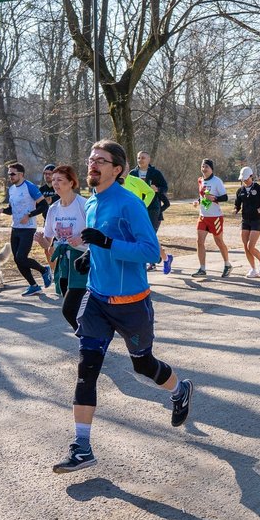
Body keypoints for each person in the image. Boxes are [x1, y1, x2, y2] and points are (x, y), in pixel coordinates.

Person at [52, 140, 193, 473]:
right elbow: (99, 244)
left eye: (101, 160)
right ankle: (82, 447)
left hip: (132, 304)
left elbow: (150, 251)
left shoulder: (129, 203)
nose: (93, 164)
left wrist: (107, 243)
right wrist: (91, 256)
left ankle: (179, 389)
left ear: (117, 169)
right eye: (91, 159)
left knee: (143, 366)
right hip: (97, 300)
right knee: (86, 371)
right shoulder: (91, 203)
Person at [35, 165, 87, 329]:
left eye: (60, 180)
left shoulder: (84, 205)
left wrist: (81, 238)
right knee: (72, 310)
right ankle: (87, 336)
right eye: (53, 180)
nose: (55, 183)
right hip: (64, 265)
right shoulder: (53, 209)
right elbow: (48, 242)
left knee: (71, 310)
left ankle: (89, 337)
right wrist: (41, 241)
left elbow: (97, 231)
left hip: (83, 263)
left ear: (71, 183)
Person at [0, 163, 52, 296]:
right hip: (15, 228)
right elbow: (11, 209)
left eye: (13, 174)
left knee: (21, 257)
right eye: (9, 174)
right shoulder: (11, 189)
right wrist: (2, 210)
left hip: (28, 228)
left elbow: (44, 206)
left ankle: (44, 270)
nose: (10, 176)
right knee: (17, 259)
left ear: (21, 174)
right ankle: (34, 285)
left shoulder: (30, 187)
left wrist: (29, 215)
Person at [131, 151, 173, 273]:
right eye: (138, 158)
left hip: (153, 209)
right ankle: (164, 258)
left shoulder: (155, 173)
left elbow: (165, 187)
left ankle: (153, 262)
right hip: (137, 208)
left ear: (149, 159)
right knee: (142, 236)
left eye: (143, 158)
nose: (140, 160)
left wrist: (158, 189)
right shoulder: (132, 174)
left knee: (149, 235)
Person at [191, 158, 232, 277]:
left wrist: (214, 198)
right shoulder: (200, 180)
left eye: (206, 167)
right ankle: (202, 269)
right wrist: (198, 201)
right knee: (199, 241)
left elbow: (225, 197)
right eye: (202, 166)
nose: (204, 169)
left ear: (211, 169)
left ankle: (227, 264)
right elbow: (202, 196)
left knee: (219, 241)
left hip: (215, 217)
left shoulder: (217, 181)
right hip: (203, 216)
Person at [234, 166, 260, 277]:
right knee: (245, 246)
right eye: (243, 179)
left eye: (246, 178)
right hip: (245, 220)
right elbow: (237, 204)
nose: (245, 180)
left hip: (256, 220)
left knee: (251, 246)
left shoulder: (258, 188)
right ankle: (253, 269)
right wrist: (235, 209)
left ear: (251, 176)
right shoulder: (240, 190)